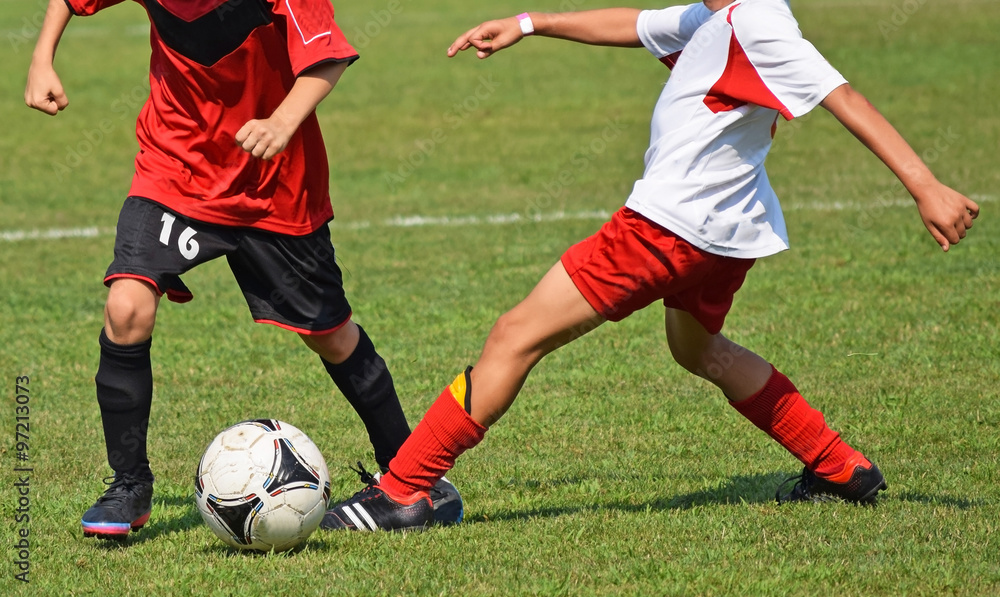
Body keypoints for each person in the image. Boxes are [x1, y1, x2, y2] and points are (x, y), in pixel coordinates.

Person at [321, 0, 979, 531]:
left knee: (515, 336)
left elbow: (844, 96)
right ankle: (840, 467)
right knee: (698, 349)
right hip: (725, 236)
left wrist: (926, 186)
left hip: (665, 229)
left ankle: (404, 492)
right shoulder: (714, 16)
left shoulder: (756, 21)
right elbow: (634, 25)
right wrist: (531, 23)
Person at [25, 0, 462, 540]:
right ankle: (128, 485)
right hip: (175, 170)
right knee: (126, 307)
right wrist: (42, 58)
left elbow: (327, 57)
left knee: (332, 336)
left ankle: (409, 476)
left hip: (274, 188)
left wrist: (282, 122)